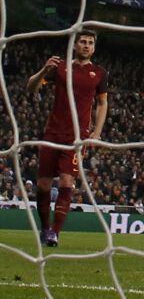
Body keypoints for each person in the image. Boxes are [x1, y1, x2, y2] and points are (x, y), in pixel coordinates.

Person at [26, 30, 108, 247]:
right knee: (43, 185)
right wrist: (44, 69)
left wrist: (96, 133)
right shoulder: (61, 67)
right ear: (75, 45)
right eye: (83, 41)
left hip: (77, 137)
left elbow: (102, 104)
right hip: (52, 132)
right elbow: (31, 87)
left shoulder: (99, 73)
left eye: (90, 42)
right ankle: (44, 227)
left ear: (94, 48)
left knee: (66, 181)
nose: (86, 45)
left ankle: (55, 232)